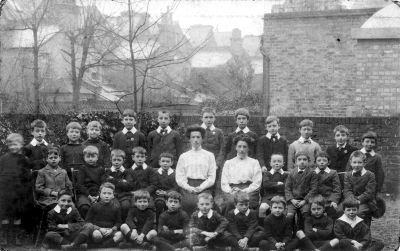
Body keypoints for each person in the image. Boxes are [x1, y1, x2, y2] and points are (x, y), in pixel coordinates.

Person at [62, 182, 123, 250]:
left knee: (120, 235)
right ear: (99, 194)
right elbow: (88, 222)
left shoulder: (116, 207)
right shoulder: (94, 206)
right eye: (104, 193)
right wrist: (99, 229)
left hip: (110, 231)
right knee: (96, 235)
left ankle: (102, 245)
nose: (106, 196)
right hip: (98, 230)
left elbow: (119, 222)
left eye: (109, 193)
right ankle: (104, 243)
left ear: (113, 195)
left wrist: (112, 230)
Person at [175, 125, 217, 214]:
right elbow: (179, 177)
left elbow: (212, 177)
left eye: (198, 137)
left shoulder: (209, 155)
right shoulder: (184, 156)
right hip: (187, 186)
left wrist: (201, 187)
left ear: (202, 139)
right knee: (189, 203)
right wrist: (189, 188)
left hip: (204, 186)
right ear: (189, 139)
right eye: (193, 137)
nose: (195, 140)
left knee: (203, 203)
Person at [0, 133, 32, 246]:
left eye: (16, 144)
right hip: (5, 191)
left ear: (21, 145)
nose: (13, 147)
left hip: (19, 192)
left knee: (17, 214)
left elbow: (27, 177)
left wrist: (25, 192)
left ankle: (17, 236)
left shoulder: (25, 160)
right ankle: (4, 236)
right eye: (11, 145)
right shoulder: (3, 159)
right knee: (5, 214)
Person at [221, 134, 262, 213]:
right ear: (236, 147)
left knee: (246, 203)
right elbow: (224, 183)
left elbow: (257, 183)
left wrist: (244, 191)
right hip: (233, 190)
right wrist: (230, 191)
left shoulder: (254, 162)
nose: (242, 149)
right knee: (230, 203)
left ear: (248, 148)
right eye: (239, 146)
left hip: (249, 190)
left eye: (244, 146)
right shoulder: (228, 163)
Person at [342, 151, 377, 226]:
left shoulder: (370, 175)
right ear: (350, 163)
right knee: (339, 210)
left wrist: (358, 200)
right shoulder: (348, 175)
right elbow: (347, 190)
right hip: (350, 200)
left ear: (364, 163)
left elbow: (369, 192)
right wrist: (351, 201)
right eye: (354, 162)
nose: (357, 165)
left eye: (359, 162)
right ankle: (345, 232)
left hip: (365, 201)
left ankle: (362, 232)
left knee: (359, 213)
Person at [285, 151, 318, 227]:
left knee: (306, 214)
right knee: (289, 215)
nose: (302, 162)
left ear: (308, 161)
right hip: (293, 200)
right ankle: (290, 233)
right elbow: (287, 188)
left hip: (305, 200)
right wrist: (292, 199)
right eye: (299, 159)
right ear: (295, 162)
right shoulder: (292, 173)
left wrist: (304, 200)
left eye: (304, 159)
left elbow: (314, 189)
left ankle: (304, 232)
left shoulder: (312, 173)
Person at [76, 145, 105, 218]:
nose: (90, 159)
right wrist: (89, 196)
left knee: (105, 205)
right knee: (84, 207)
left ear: (97, 157)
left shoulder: (101, 169)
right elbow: (80, 185)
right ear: (84, 158)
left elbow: (103, 184)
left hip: (98, 193)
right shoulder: (82, 169)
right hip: (85, 194)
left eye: (93, 156)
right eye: (88, 157)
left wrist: (98, 196)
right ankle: (87, 223)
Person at [259, 153, 288, 219]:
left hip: (282, 197)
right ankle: (262, 227)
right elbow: (266, 185)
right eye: (274, 161)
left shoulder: (286, 175)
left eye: (279, 161)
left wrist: (271, 184)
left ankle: (282, 226)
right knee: (262, 208)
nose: (276, 163)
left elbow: (286, 186)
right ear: (270, 163)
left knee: (284, 210)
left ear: (283, 163)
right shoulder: (267, 174)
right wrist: (278, 183)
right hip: (268, 197)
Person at [104, 149, 131, 220]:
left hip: (124, 195)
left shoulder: (127, 172)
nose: (116, 162)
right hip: (112, 194)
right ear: (111, 160)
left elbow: (128, 186)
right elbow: (107, 185)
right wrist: (121, 181)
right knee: (114, 205)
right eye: (114, 160)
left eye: (119, 160)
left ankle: (124, 222)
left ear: (123, 160)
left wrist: (113, 180)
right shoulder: (107, 171)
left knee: (126, 205)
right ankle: (114, 222)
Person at [314, 151, 341, 218]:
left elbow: (337, 189)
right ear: (315, 162)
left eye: (324, 160)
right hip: (316, 200)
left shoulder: (333, 173)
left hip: (329, 199)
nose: (322, 162)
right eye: (319, 160)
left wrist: (334, 201)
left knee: (333, 211)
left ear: (328, 162)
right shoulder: (313, 173)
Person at [154, 152, 179, 219]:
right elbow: (154, 184)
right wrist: (158, 191)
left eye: (168, 161)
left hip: (172, 194)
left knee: (171, 204)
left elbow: (176, 187)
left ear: (171, 163)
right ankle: (159, 223)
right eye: (163, 161)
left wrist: (166, 193)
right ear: (159, 162)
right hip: (159, 195)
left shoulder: (175, 173)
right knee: (160, 203)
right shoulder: (155, 173)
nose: (165, 163)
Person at [200, 107, 225, 171]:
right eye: (206, 117)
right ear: (201, 118)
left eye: (211, 117)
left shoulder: (219, 132)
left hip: (214, 166)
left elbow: (222, 150)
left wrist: (217, 164)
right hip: (200, 165)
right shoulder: (197, 131)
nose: (209, 120)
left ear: (214, 118)